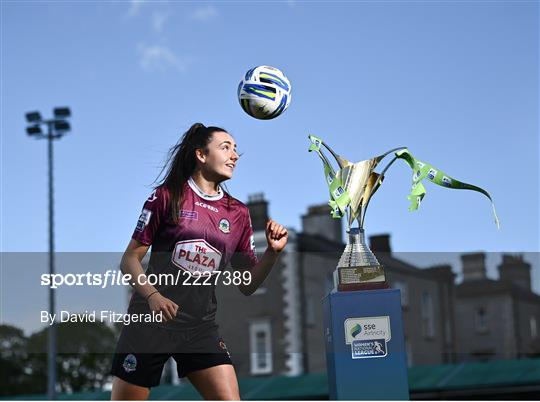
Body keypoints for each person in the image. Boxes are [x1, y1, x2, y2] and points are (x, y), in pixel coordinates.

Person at [110, 123, 288, 400]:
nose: (234, 155)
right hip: (149, 321)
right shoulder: (166, 197)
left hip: (198, 327)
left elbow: (248, 284)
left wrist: (273, 253)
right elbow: (129, 260)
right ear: (201, 155)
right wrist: (154, 297)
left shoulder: (238, 213)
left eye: (236, 149)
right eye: (225, 147)